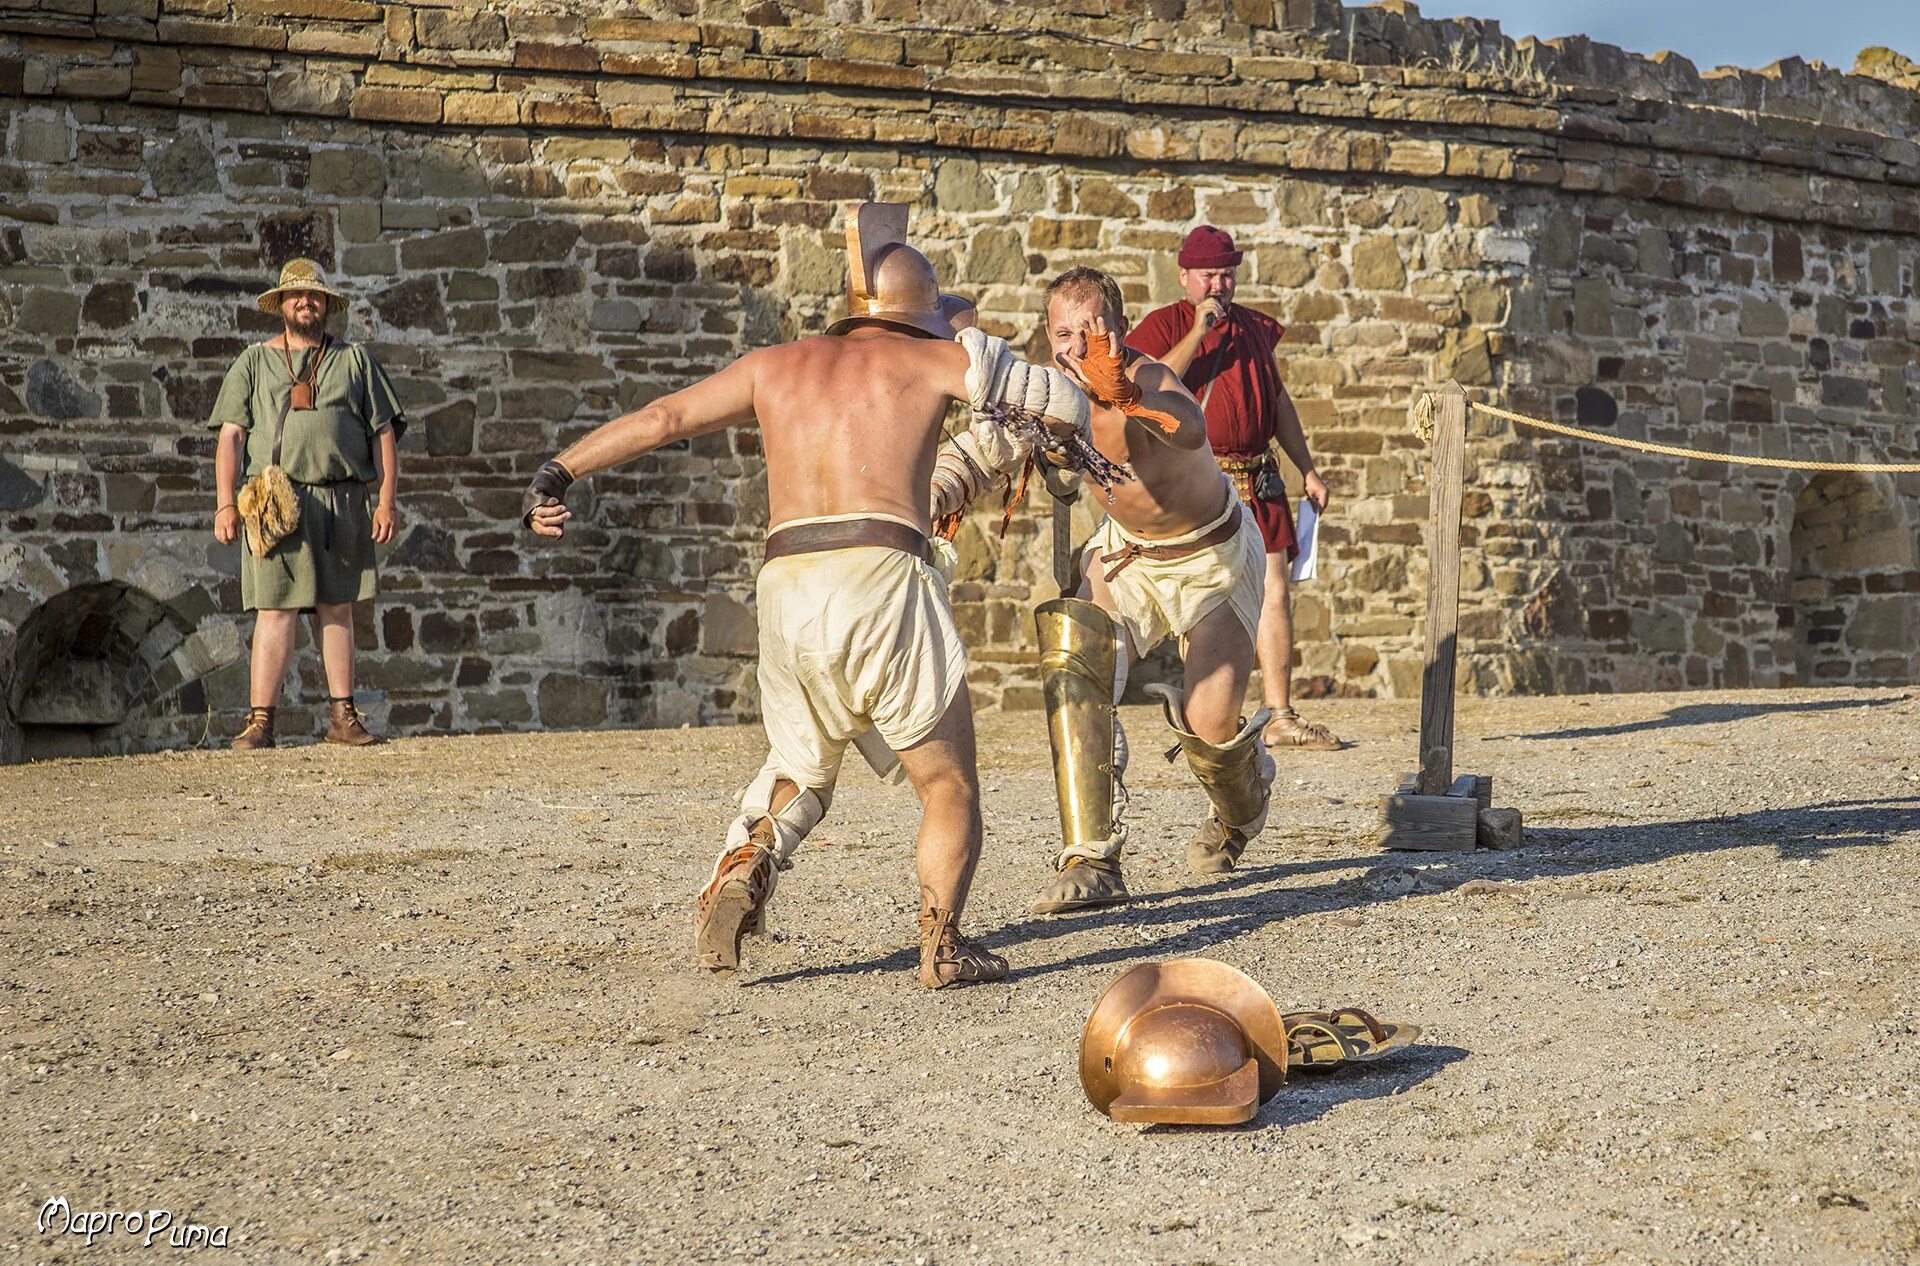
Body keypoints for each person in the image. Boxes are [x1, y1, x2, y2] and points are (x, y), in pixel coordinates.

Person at [519, 204, 1090, 989]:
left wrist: (560, 471)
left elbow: (664, 417)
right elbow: (1066, 406)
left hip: (787, 586)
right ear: (920, 316)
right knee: (947, 782)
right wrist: (984, 356)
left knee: (802, 766)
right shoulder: (933, 363)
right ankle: (943, 946)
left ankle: (749, 859)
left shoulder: (772, 365)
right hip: (882, 574)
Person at [1015, 266, 1277, 915]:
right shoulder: (1055, 392)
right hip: (1127, 555)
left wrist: (1127, 394)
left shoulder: (1153, 379)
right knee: (1078, 665)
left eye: (1090, 328)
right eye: (1063, 332)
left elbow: (1189, 427)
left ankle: (1239, 813)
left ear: (1120, 328)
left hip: (1211, 557)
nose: (1076, 344)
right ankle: (1091, 858)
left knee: (1210, 725)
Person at [1127, 224, 1342, 752]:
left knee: (1274, 592)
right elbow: (1147, 388)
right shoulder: (1163, 326)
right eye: (1208, 276)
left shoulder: (1253, 329)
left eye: (1226, 274)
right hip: (1198, 481)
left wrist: (1307, 469)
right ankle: (1207, 719)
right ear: (1185, 277)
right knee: (1201, 598)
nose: (1219, 285)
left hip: (1258, 475)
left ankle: (1279, 714)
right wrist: (1199, 331)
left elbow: (1279, 403)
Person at [208, 258, 403, 750]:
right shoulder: (252, 362)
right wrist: (225, 505)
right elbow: (231, 437)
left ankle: (343, 719)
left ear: (326, 305)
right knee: (274, 610)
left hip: (341, 498)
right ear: (281, 305)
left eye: (314, 296)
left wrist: (386, 501)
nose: (305, 302)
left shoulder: (355, 360)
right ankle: (260, 723)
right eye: (296, 295)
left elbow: (384, 433)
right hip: (275, 500)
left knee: (337, 606)